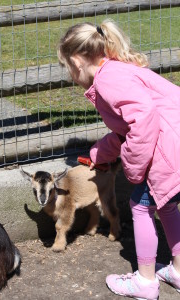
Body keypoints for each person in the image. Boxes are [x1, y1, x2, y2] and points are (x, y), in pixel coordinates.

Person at [57, 19, 180, 300]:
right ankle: (177, 271)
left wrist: (134, 170)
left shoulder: (109, 81)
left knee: (140, 205)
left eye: (67, 68)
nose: (70, 75)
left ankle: (146, 282)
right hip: (175, 141)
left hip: (171, 148)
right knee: (167, 204)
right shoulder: (116, 72)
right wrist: (100, 152)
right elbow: (128, 130)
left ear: (77, 62)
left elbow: (144, 120)